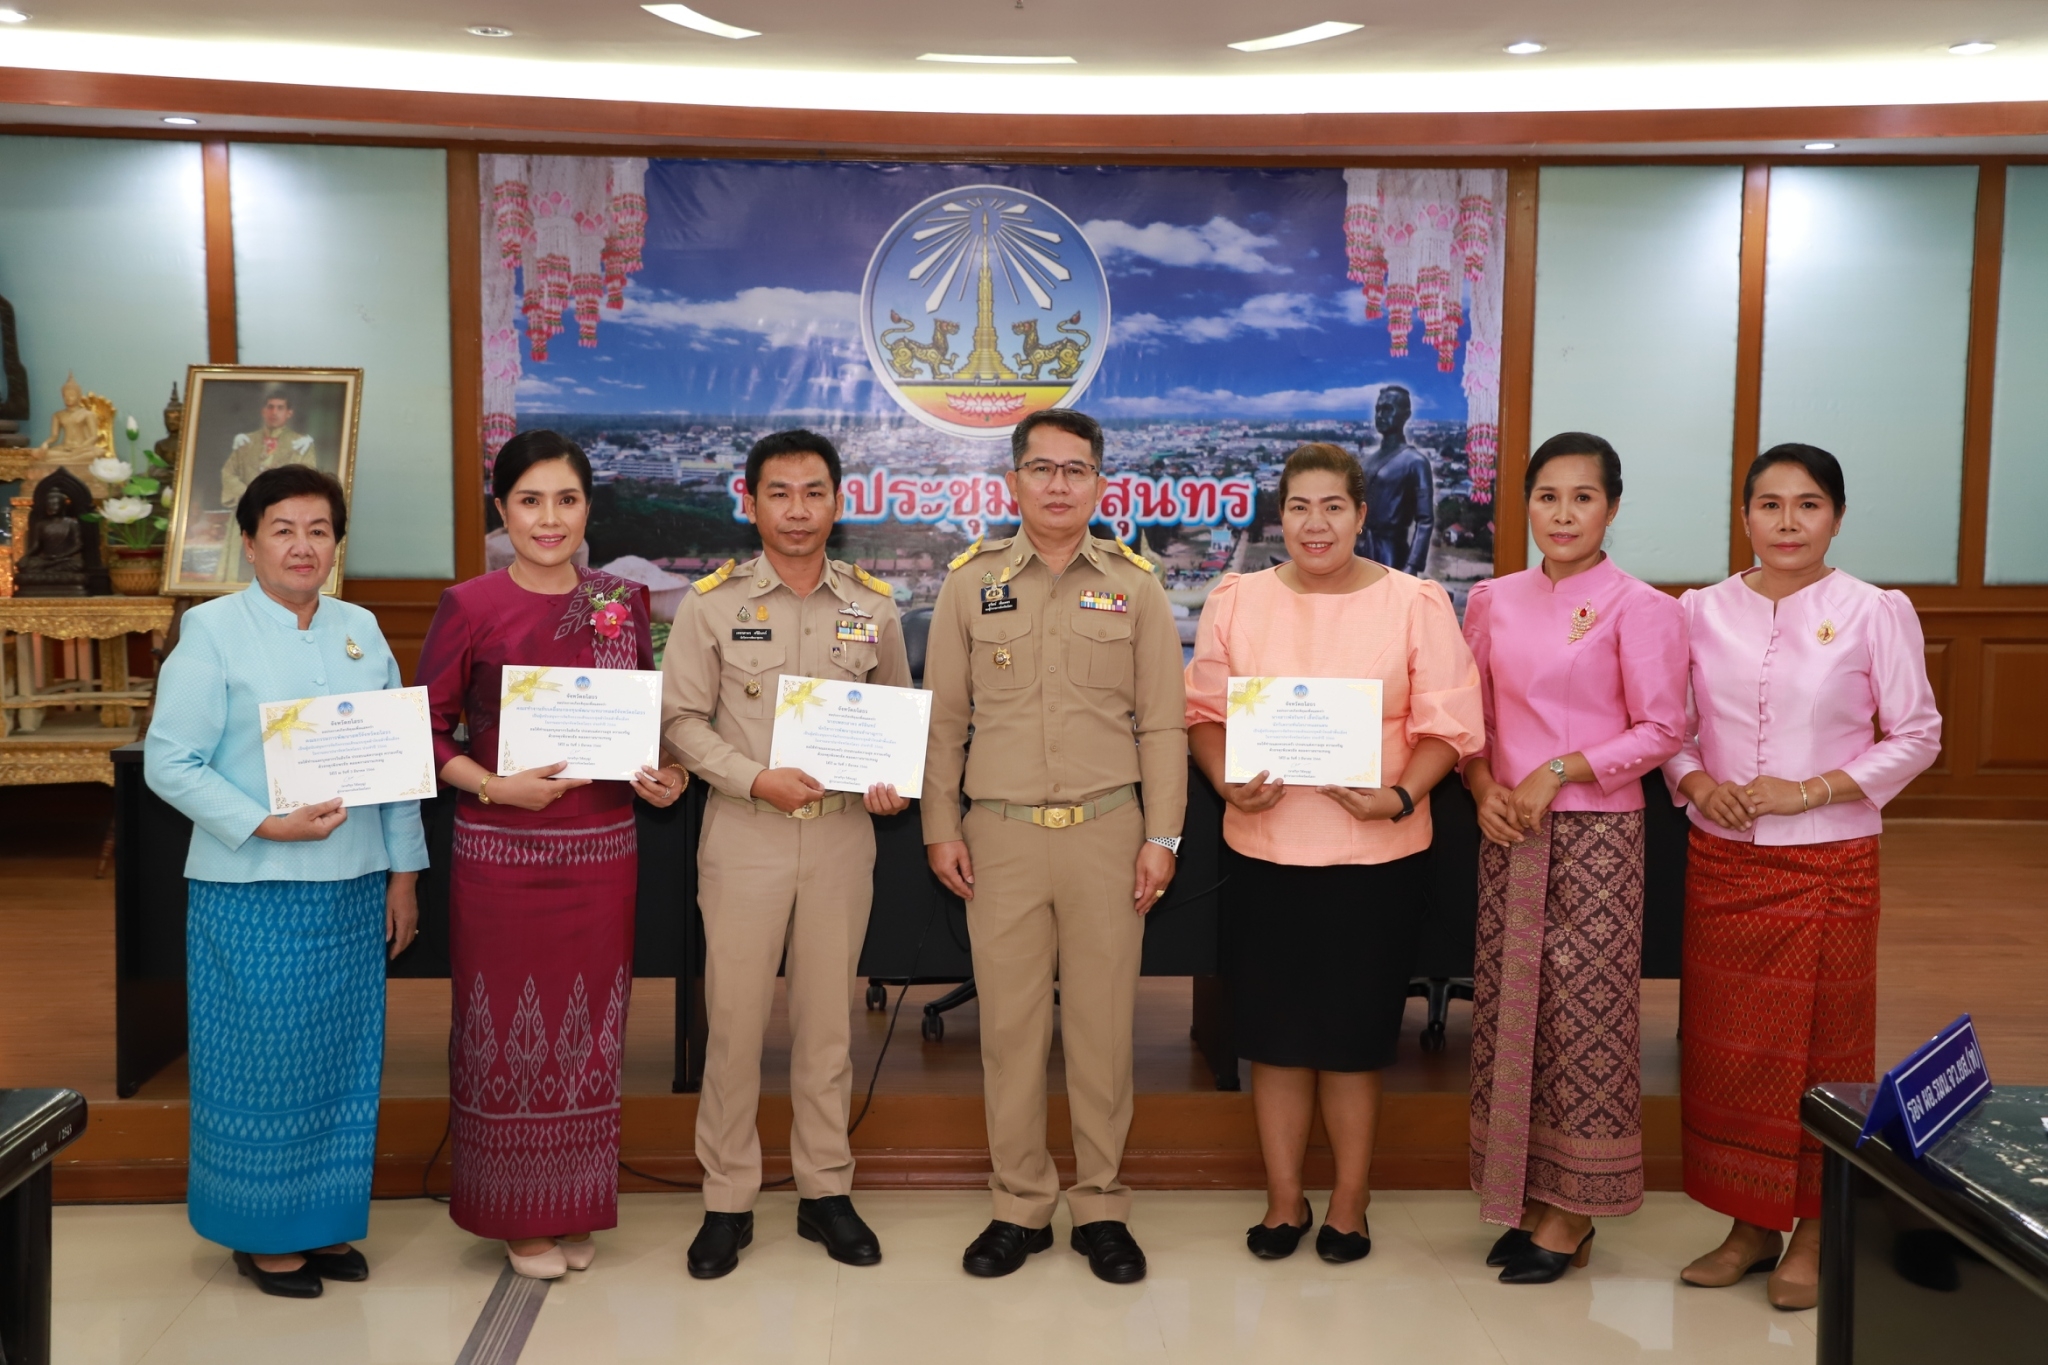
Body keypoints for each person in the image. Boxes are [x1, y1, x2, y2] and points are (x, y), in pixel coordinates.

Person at [1186, 442, 1482, 1265]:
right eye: (1298, 507)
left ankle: (1351, 1200)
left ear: (1361, 514)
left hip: (1375, 856)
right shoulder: (1237, 599)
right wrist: (1226, 780)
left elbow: (1449, 725)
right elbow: (1204, 714)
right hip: (1265, 850)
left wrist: (1400, 796)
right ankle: (1284, 1199)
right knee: (1274, 1037)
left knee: (1353, 1040)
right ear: (1280, 516)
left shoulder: (1414, 602)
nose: (1314, 524)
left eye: (1333, 507)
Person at [1665, 443, 1940, 1310]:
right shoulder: (1699, 610)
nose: (1788, 522)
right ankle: (1749, 1224)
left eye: (1809, 504)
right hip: (1722, 859)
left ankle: (1818, 1229)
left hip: (1830, 861)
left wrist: (1811, 789)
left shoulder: (1873, 609)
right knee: (1730, 1048)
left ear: (1838, 516)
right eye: (1770, 504)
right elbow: (1670, 728)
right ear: (1744, 514)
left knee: (1826, 1051)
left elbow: (1918, 733)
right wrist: (1696, 782)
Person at [145, 464, 427, 1299]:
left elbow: (397, 766)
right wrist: (264, 822)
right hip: (252, 887)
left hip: (353, 886)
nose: (303, 546)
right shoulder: (212, 631)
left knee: (341, 1062)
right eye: (283, 529)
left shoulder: (360, 627)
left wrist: (404, 874)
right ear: (249, 542)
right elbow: (169, 760)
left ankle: (323, 1222)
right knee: (260, 1064)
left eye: (319, 530)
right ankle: (263, 1233)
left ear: (337, 544)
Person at [923, 408, 1186, 1285]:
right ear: (1014, 481)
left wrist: (1163, 835)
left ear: (1100, 484)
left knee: (1104, 1032)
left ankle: (1101, 1205)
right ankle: (1020, 1204)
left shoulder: (1136, 586)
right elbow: (944, 721)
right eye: (1042, 468)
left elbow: (1163, 724)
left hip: (1109, 832)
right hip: (999, 834)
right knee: (1009, 1030)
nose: (1059, 484)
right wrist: (939, 824)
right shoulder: (970, 583)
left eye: (1076, 470)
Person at [415, 430, 686, 1280]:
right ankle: (516, 1215)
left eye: (566, 500)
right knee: (503, 1028)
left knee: (591, 1031)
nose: (549, 518)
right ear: (502, 509)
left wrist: (663, 774)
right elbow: (427, 733)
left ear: (588, 508)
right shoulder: (470, 604)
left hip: (602, 854)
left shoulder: (621, 601)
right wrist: (494, 786)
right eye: (529, 500)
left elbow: (636, 723)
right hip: (502, 854)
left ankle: (573, 1202)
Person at [662, 430, 911, 1279]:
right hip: (745, 831)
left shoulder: (874, 604)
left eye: (813, 492)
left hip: (841, 835)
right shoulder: (711, 603)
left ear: (839, 502)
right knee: (733, 1024)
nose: (797, 510)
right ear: (750, 501)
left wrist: (890, 782)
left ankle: (824, 1189)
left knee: (828, 1022)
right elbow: (680, 720)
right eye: (779, 492)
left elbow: (894, 715)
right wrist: (754, 776)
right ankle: (727, 1198)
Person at [1461, 433, 1687, 1284]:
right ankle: (1522, 1196)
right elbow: (1473, 721)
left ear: (1612, 507)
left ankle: (1575, 1211)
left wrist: (1560, 768)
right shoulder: (1493, 600)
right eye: (1547, 496)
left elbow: (1664, 729)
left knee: (1586, 1019)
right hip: (1509, 832)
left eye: (1582, 497)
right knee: (1513, 1016)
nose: (1563, 514)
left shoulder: (1642, 606)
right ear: (1527, 504)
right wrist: (1482, 784)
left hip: (1599, 838)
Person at [1356, 385, 1435, 576]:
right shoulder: (1367, 462)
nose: (1380, 415)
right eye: (1378, 409)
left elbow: (1425, 520)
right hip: (1360, 551)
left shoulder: (1415, 462)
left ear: (1405, 415)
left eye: (1388, 409)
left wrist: (1412, 565)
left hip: (1391, 555)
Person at [220, 386, 318, 509]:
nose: (274, 412)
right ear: (263, 411)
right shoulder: (246, 441)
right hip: (248, 509)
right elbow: (228, 472)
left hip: (284, 510)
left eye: (280, 408)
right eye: (270, 407)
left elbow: (307, 481)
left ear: (289, 413)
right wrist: (247, 494)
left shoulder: (301, 444)